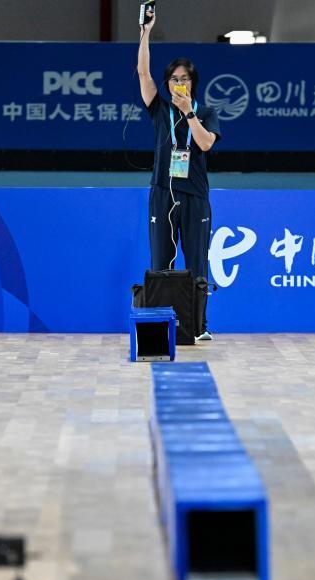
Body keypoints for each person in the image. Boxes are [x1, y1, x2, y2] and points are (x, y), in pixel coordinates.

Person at [137, 4, 221, 340]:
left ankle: (199, 326)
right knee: (161, 260)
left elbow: (205, 144)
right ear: (168, 84)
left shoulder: (206, 113)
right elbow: (143, 74)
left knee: (197, 261)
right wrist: (145, 32)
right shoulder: (159, 109)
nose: (179, 83)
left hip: (195, 196)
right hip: (163, 193)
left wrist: (189, 114)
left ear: (192, 83)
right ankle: (161, 325)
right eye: (174, 79)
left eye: (184, 79)